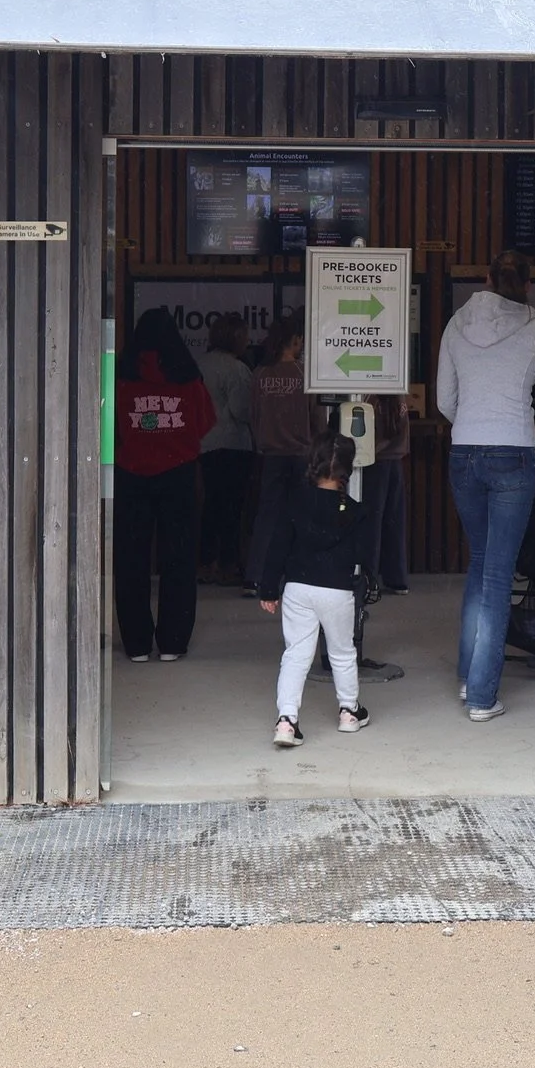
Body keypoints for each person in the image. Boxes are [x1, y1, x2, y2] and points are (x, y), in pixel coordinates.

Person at [436, 250, 535, 721]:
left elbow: (443, 400)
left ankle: (468, 673)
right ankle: (481, 696)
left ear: (485, 278)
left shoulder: (455, 325)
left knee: (480, 563)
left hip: (463, 454)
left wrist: (472, 425)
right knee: (497, 573)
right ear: (529, 285)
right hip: (514, 454)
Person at [259, 433, 377, 747]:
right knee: (342, 652)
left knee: (296, 655)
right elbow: (365, 555)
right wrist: (371, 582)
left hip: (298, 587)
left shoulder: (294, 503)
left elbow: (277, 546)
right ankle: (349, 712)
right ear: (347, 471)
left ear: (313, 464)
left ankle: (286, 721)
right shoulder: (355, 511)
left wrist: (268, 588)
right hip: (337, 590)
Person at [113, 306, 216, 663]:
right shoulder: (188, 376)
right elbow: (205, 423)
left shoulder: (122, 375)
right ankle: (172, 642)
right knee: (180, 558)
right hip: (180, 474)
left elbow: (108, 426)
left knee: (131, 560)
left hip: (130, 474)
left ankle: (137, 644)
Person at [246, 312, 323, 600]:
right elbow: (316, 417)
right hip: (301, 454)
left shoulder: (260, 374)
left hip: (270, 454)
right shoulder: (304, 375)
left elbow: (251, 416)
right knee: (302, 516)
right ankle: (299, 575)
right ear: (295, 340)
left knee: (266, 517)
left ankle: (255, 577)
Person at [194, 313, 256, 584]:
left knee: (210, 506)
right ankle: (229, 565)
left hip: (205, 444)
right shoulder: (236, 369)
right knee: (232, 508)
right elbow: (242, 411)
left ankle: (205, 563)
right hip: (233, 445)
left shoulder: (199, 365)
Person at [365, 393, 412, 597]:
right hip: (395, 459)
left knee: (371, 522)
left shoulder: (368, 397)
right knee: (394, 521)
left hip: (373, 460)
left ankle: (369, 577)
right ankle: (397, 578)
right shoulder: (399, 394)